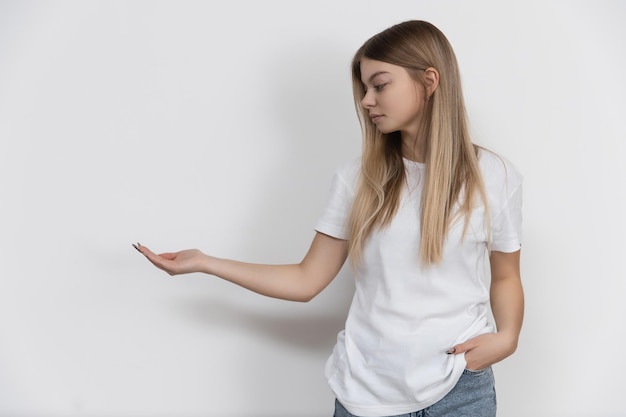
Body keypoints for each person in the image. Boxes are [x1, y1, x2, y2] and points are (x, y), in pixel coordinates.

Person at [134, 20, 523, 417]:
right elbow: (306, 280)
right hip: (366, 394)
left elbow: (506, 274)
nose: (367, 100)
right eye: (364, 89)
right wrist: (204, 262)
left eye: (380, 84)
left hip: (459, 390)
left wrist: (507, 337)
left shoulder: (494, 176)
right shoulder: (357, 180)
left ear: (428, 81)